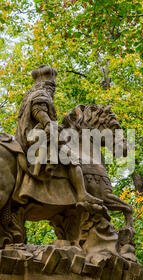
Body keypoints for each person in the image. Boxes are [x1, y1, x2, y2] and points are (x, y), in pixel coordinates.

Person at [14, 65, 103, 208]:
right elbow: (39, 110)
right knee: (73, 159)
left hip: (29, 135)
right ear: (48, 85)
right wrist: (49, 123)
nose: (53, 90)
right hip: (37, 137)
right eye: (52, 87)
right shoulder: (42, 94)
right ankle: (81, 193)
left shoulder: (30, 96)